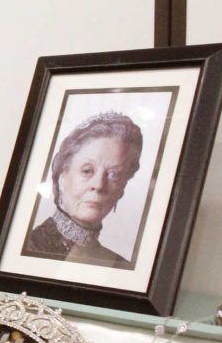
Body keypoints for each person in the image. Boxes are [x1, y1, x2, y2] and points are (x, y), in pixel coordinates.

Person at [24, 111, 143, 268]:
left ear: (122, 187)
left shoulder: (120, 267)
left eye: (114, 174)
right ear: (62, 175)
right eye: (87, 171)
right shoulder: (27, 250)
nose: (99, 185)